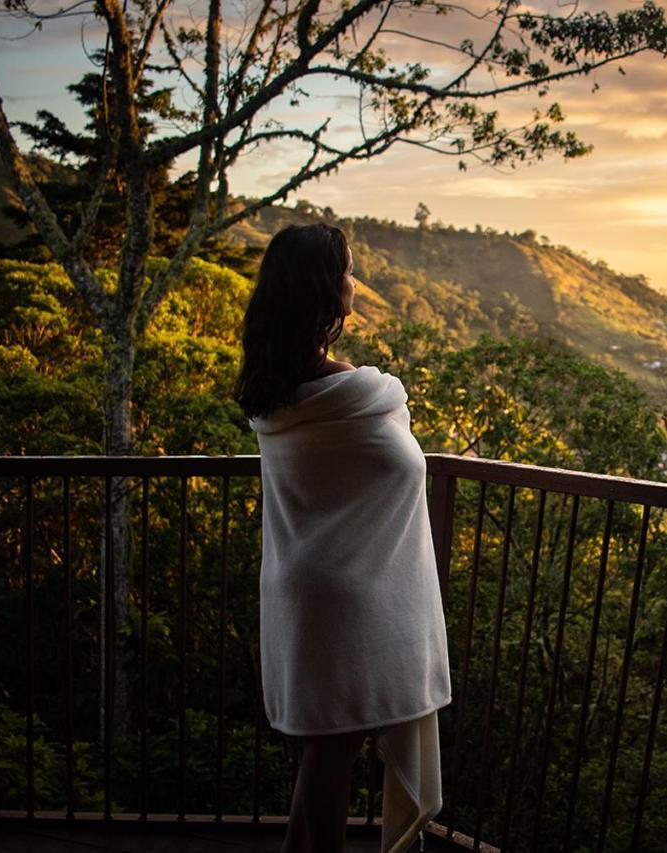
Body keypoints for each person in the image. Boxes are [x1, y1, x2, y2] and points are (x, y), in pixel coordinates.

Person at [233, 223, 451, 852]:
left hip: (304, 587)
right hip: (348, 601)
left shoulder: (275, 390)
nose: (356, 282)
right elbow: (395, 467)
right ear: (326, 291)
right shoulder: (357, 396)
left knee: (325, 754)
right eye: (349, 271)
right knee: (331, 757)